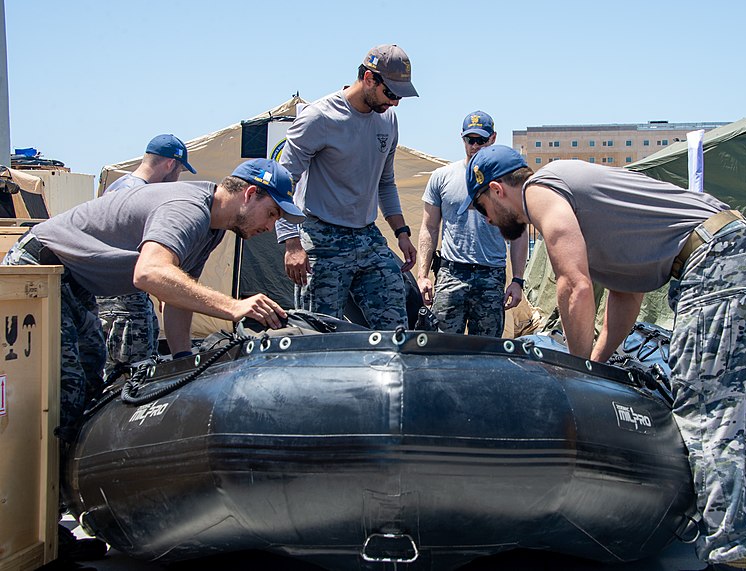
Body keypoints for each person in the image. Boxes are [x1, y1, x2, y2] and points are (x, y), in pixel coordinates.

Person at [458, 145, 746, 571]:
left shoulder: (541, 190)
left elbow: (574, 285)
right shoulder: (592, 213)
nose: (489, 223)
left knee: (705, 413)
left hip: (713, 256)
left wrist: (572, 371)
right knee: (726, 411)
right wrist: (596, 366)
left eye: (482, 210)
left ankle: (729, 557)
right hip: (730, 247)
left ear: (497, 190)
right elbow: (625, 296)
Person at [2, 158, 304, 561]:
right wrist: (233, 306)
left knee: (90, 384)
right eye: (272, 213)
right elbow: (150, 274)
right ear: (250, 194)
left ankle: (50, 522)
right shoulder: (188, 208)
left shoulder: (212, 229)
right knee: (59, 396)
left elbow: (176, 298)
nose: (270, 227)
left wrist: (184, 362)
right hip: (39, 271)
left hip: (74, 288)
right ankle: (37, 530)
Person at [277, 44, 419, 329]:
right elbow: (282, 181)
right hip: (321, 236)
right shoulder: (319, 117)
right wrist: (291, 243)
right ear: (368, 79)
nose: (395, 103)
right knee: (319, 334)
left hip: (367, 237)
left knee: (396, 327)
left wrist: (402, 233)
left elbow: (386, 181)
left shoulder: (388, 120)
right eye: (390, 93)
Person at [416, 111, 527, 336]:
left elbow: (519, 232)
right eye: (470, 140)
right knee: (443, 346)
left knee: (486, 352)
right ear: (462, 139)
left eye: (481, 140)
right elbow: (429, 227)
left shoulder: (508, 180)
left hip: (490, 275)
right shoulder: (442, 176)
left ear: (493, 138)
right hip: (451, 273)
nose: (475, 145)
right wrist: (423, 275)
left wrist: (517, 280)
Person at [97, 133, 197, 381]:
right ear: (171, 164)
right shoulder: (142, 196)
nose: (176, 179)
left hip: (104, 299)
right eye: (179, 172)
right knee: (137, 379)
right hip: (128, 304)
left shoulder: (117, 187)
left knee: (107, 377)